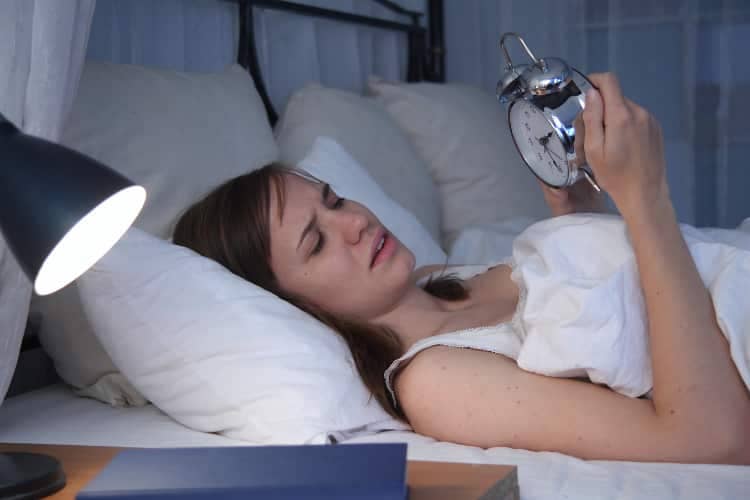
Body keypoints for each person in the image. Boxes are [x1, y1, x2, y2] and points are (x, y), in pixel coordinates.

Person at [173, 73, 750, 465]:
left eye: (333, 199)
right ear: (294, 306)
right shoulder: (437, 383)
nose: (353, 222)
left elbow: (615, 319)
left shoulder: (441, 279)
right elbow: (707, 438)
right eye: (316, 244)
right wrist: (646, 199)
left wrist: (575, 216)